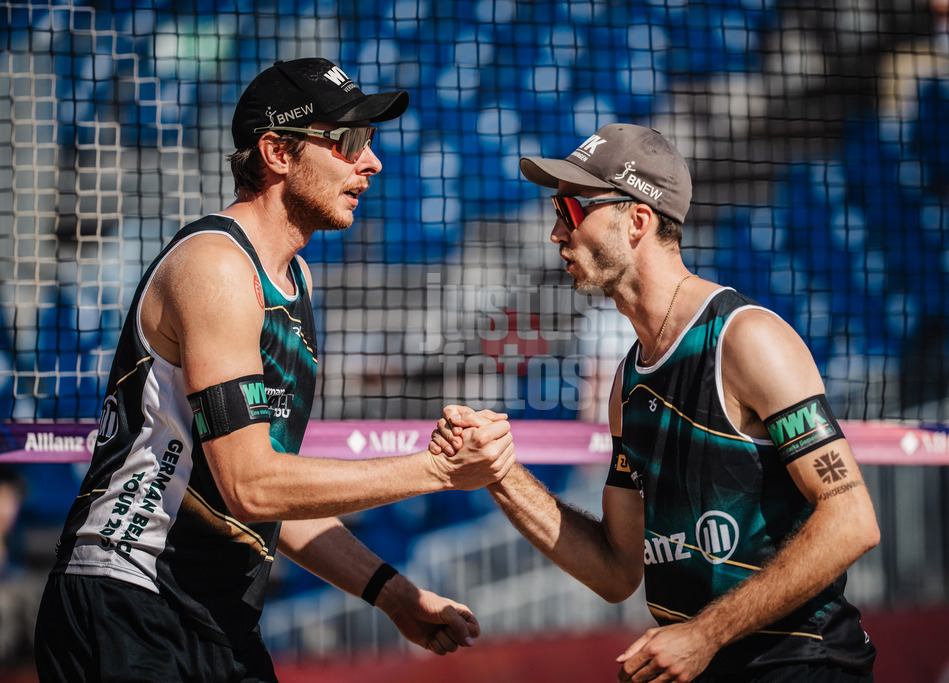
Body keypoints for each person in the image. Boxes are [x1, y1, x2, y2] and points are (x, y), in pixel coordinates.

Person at [34, 57, 516, 682]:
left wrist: (394, 596)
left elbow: (272, 497)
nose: (371, 163)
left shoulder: (294, 280)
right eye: (347, 142)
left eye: (367, 142)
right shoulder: (215, 268)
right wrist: (439, 471)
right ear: (278, 153)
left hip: (214, 613)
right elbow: (251, 486)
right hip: (126, 595)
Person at [433, 123, 880, 682]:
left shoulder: (745, 338)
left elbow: (852, 520)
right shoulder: (630, 383)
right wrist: (500, 474)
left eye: (571, 210)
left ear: (638, 220)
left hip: (804, 666)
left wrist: (703, 634)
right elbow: (617, 570)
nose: (555, 232)